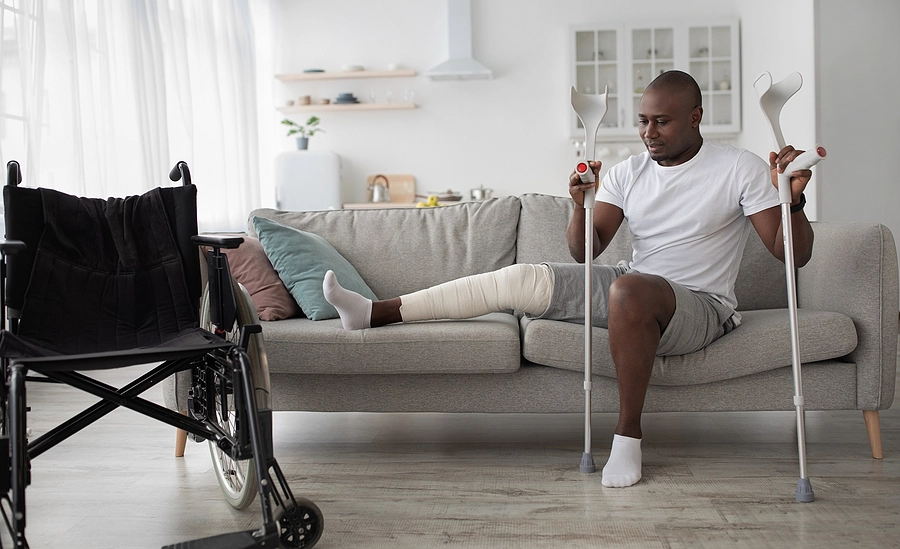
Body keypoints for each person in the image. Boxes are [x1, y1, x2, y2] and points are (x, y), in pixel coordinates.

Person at [323, 70, 814, 488]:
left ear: (694, 117)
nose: (649, 132)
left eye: (661, 121)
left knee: (628, 288)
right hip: (634, 288)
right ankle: (373, 312)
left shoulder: (740, 169)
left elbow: (790, 254)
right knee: (522, 279)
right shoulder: (628, 174)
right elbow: (586, 251)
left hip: (703, 308)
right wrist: (579, 205)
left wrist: (792, 200)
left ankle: (627, 437)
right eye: (643, 121)